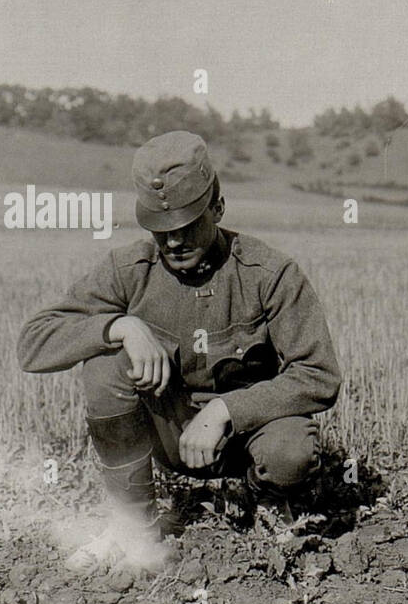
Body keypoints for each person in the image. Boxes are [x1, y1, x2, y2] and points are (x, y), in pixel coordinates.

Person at [18, 130, 341, 570]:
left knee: (290, 451)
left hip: (243, 440)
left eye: (188, 225)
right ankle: (133, 526)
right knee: (105, 361)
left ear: (218, 207)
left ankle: (266, 503)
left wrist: (225, 410)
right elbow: (34, 343)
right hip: (167, 436)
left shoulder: (270, 274)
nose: (173, 242)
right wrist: (120, 326)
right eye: (160, 229)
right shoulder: (128, 270)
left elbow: (318, 374)